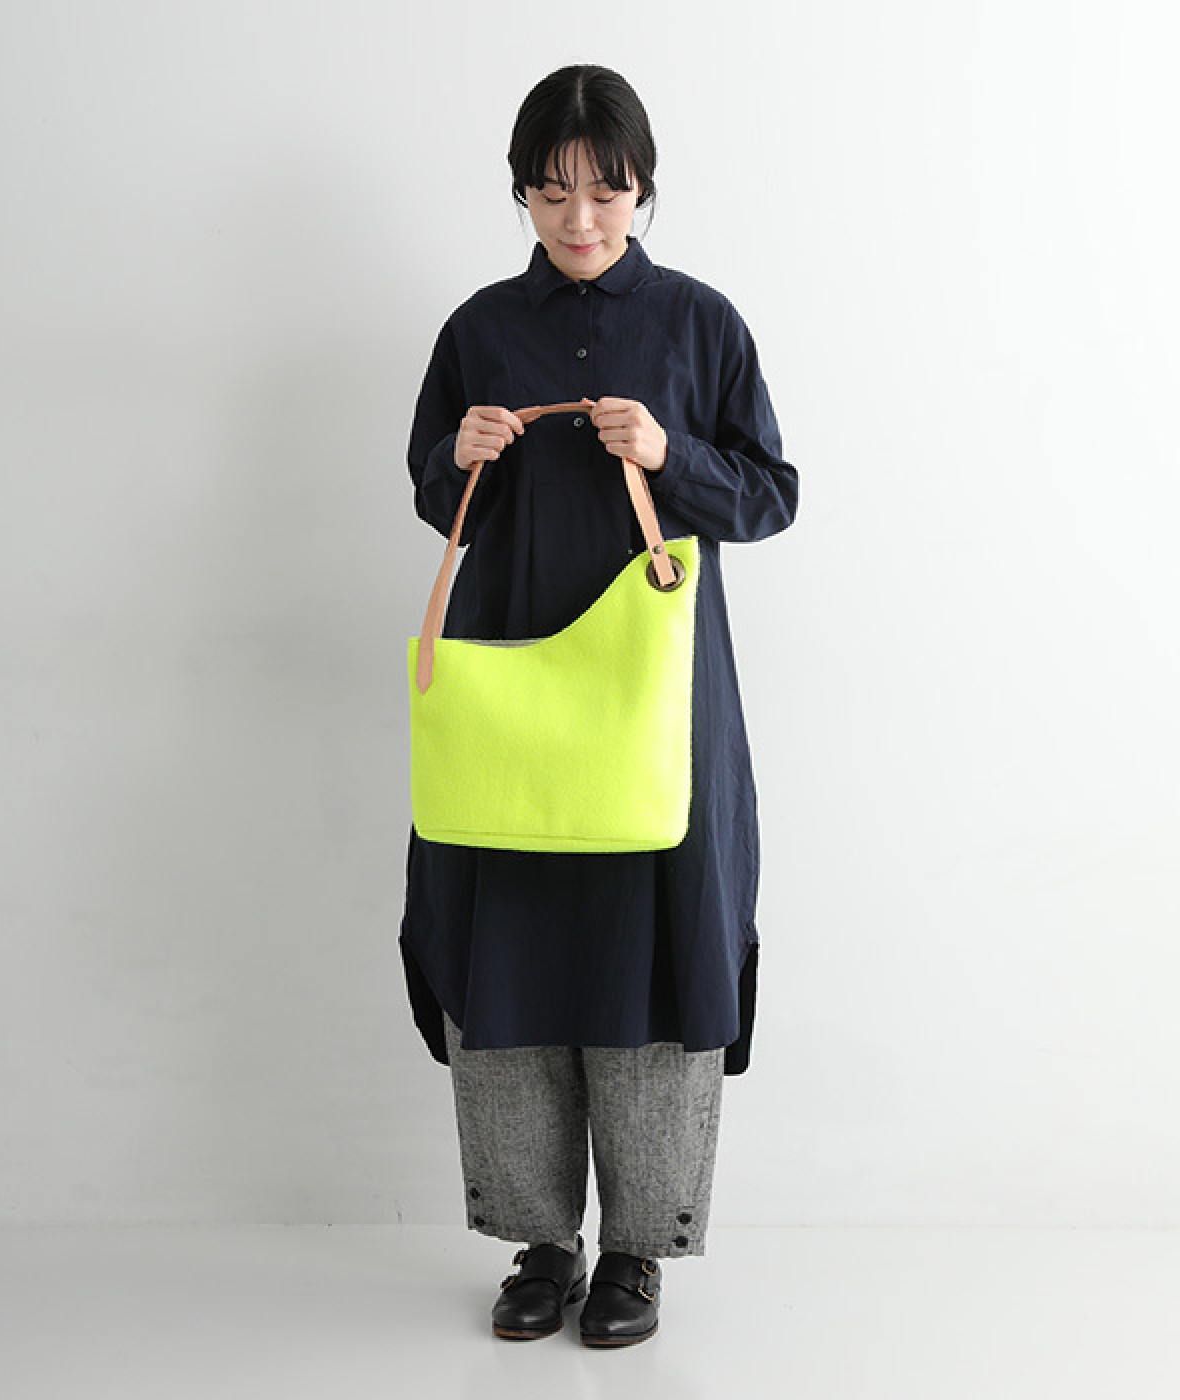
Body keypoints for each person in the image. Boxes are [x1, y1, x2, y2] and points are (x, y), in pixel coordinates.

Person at [399, 63, 799, 1347]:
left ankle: (638, 1248)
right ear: (521, 192)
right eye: (552, 190)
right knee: (508, 942)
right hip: (511, 687)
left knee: (652, 947)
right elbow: (435, 496)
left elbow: (772, 494)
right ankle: (539, 1242)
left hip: (656, 699)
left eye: (606, 191)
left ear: (643, 190)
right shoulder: (479, 328)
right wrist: (457, 457)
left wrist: (670, 455)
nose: (580, 218)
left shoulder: (700, 323)